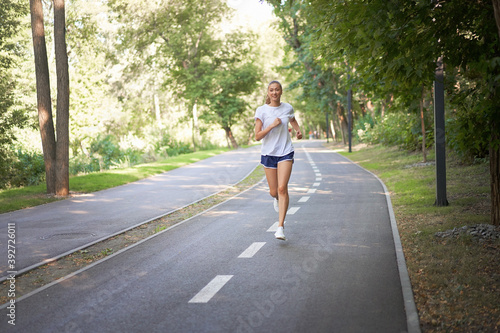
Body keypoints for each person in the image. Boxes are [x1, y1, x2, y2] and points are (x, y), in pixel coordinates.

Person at [254, 81, 303, 240]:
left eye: (277, 90)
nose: (274, 92)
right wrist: (272, 126)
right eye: (271, 90)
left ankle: (280, 226)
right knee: (274, 191)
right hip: (268, 153)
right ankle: (276, 198)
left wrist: (297, 130)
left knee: (282, 188)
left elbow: (292, 119)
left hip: (285, 152)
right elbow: (257, 136)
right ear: (268, 93)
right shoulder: (262, 111)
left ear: (281, 91)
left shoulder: (287, 108)